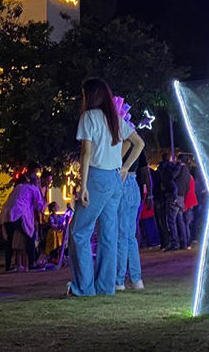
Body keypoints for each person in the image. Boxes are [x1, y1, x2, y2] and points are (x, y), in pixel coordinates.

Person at [66, 77, 145, 297]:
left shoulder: (88, 117)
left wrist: (82, 186)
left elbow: (86, 153)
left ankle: (83, 287)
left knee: (80, 232)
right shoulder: (115, 120)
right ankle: (106, 286)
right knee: (108, 236)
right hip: (113, 180)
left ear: (91, 95)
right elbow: (138, 142)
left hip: (97, 177)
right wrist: (124, 167)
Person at [116, 147, 147, 290]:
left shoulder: (123, 140)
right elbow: (144, 168)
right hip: (134, 184)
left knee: (122, 236)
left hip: (124, 181)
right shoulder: (137, 143)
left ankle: (119, 279)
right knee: (130, 236)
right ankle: (136, 279)